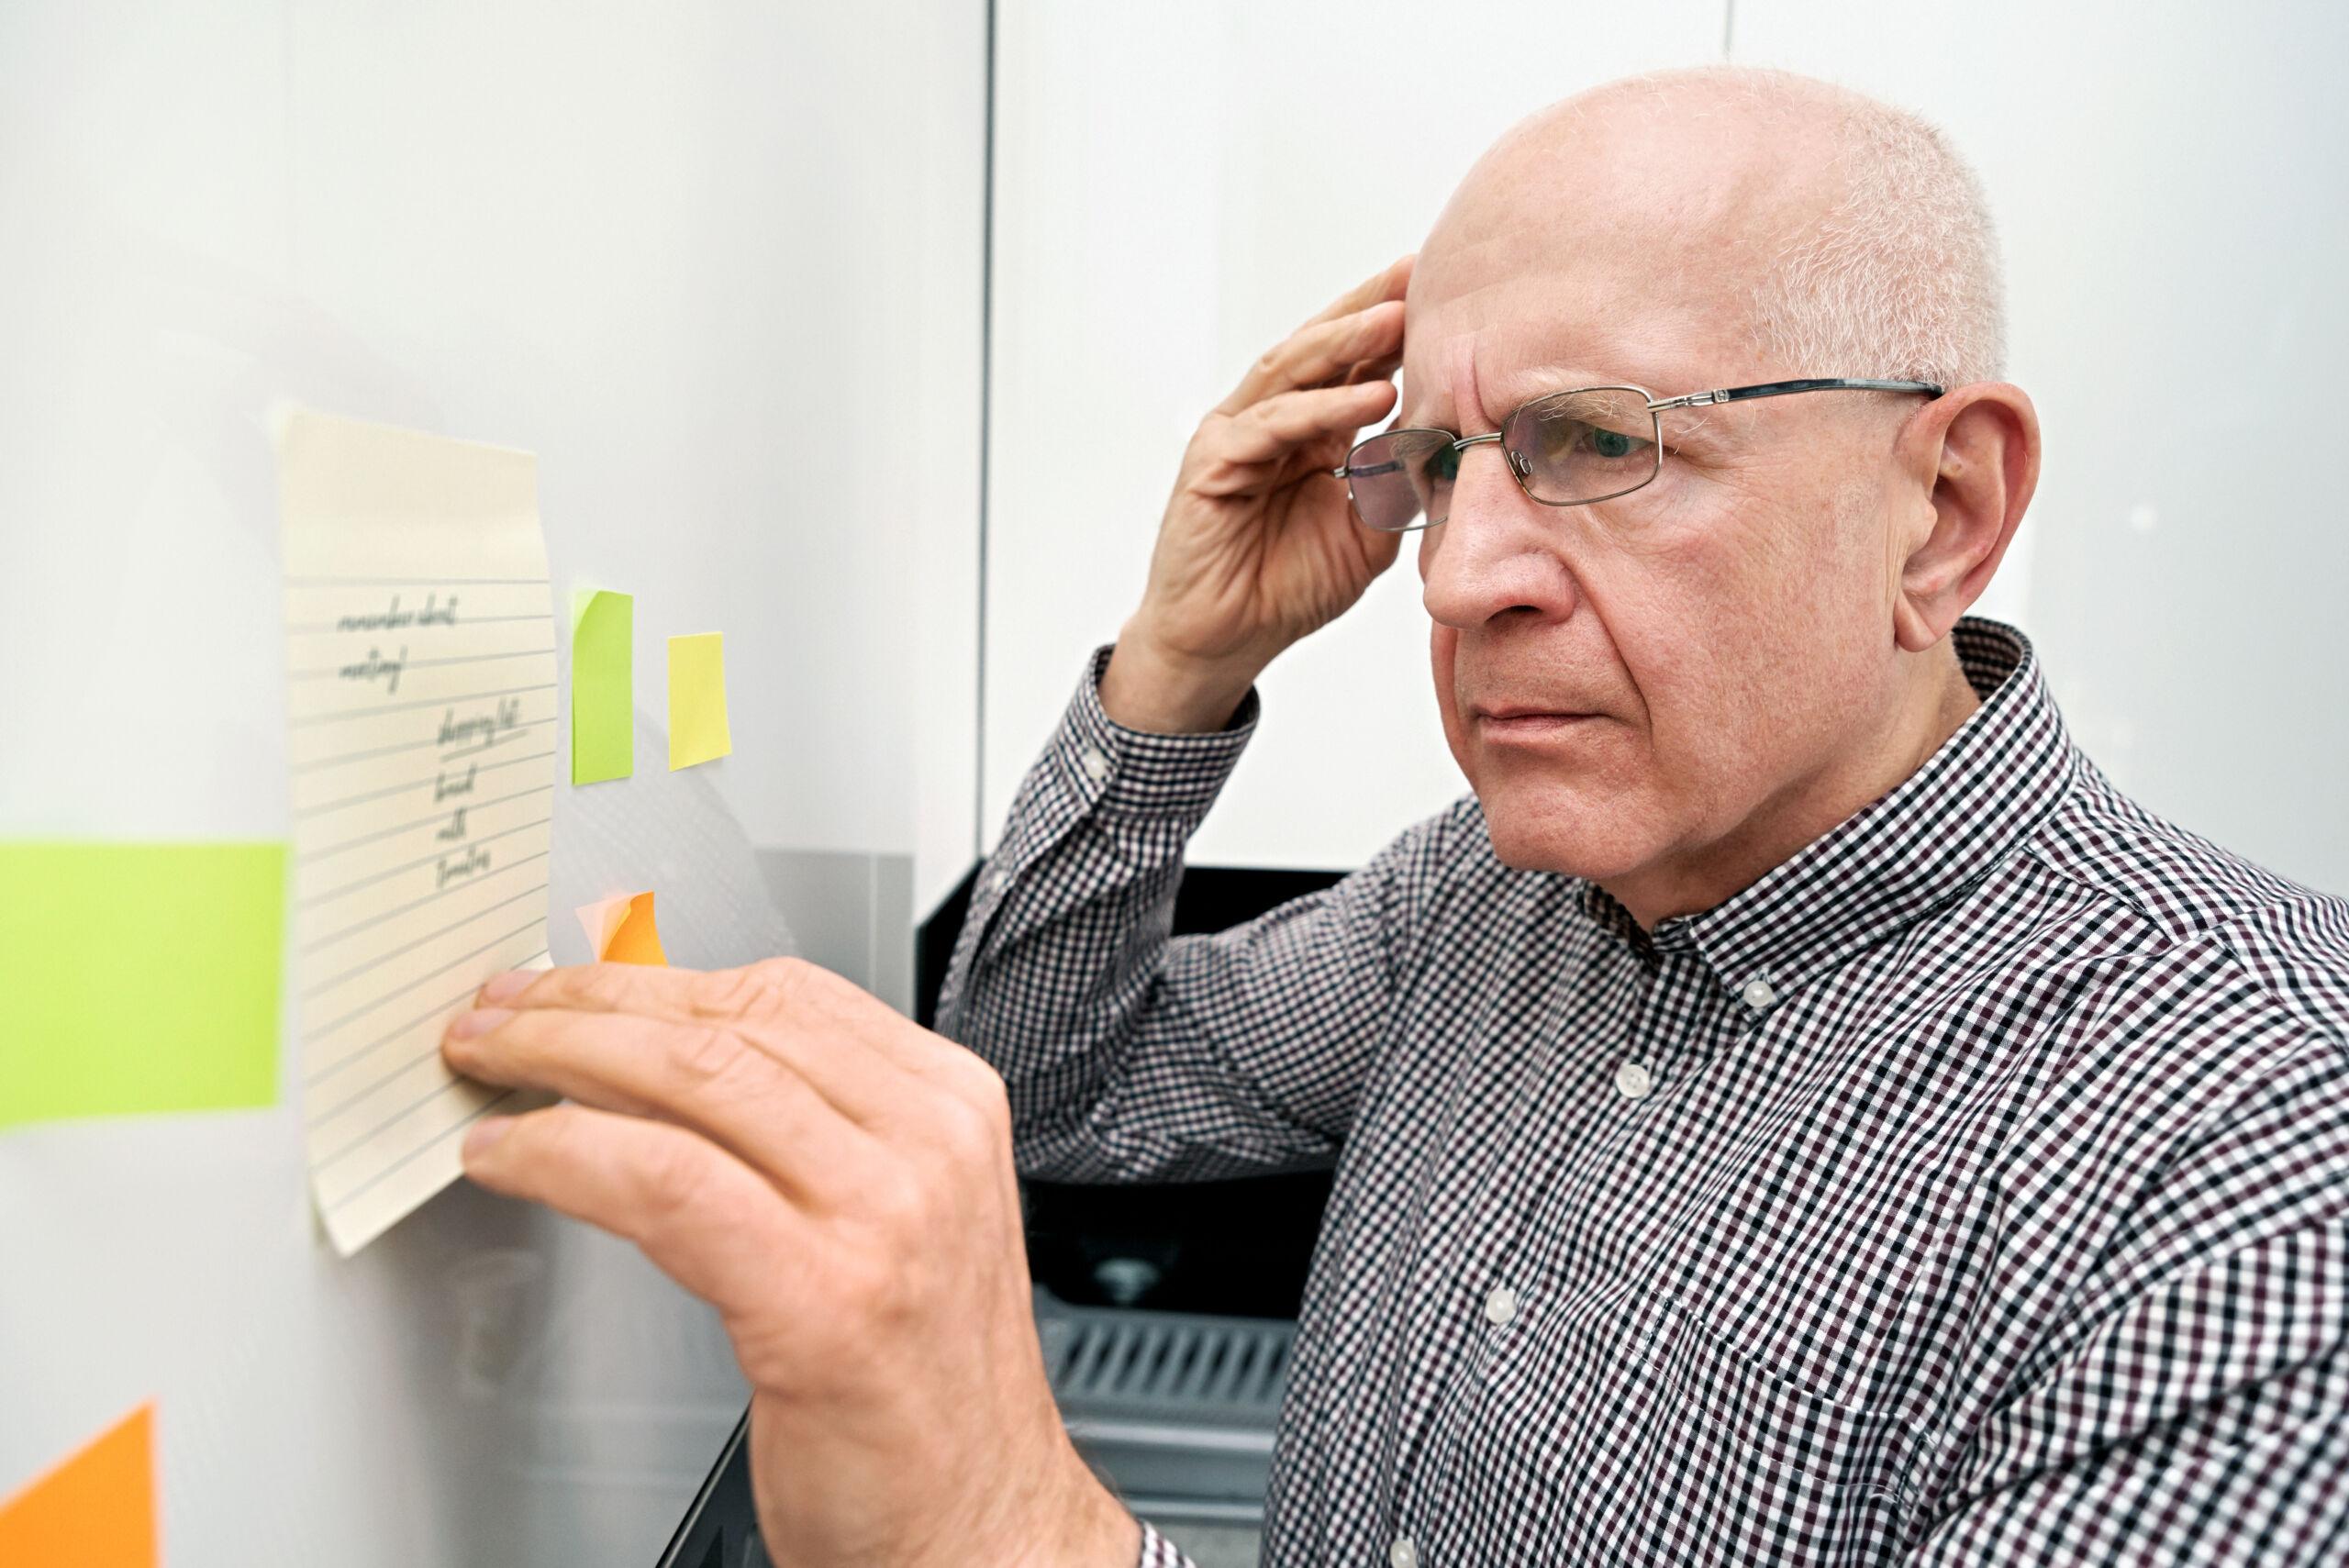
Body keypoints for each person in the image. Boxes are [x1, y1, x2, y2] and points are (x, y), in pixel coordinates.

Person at [439, 63, 2349, 1567]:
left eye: (1596, 440)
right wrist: (1173, 670)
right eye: (1438, 466)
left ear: (1939, 510)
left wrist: (1009, 1536)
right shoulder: (1489, 901)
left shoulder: (2255, 1172)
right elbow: (1052, 1085)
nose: (1450, 580)